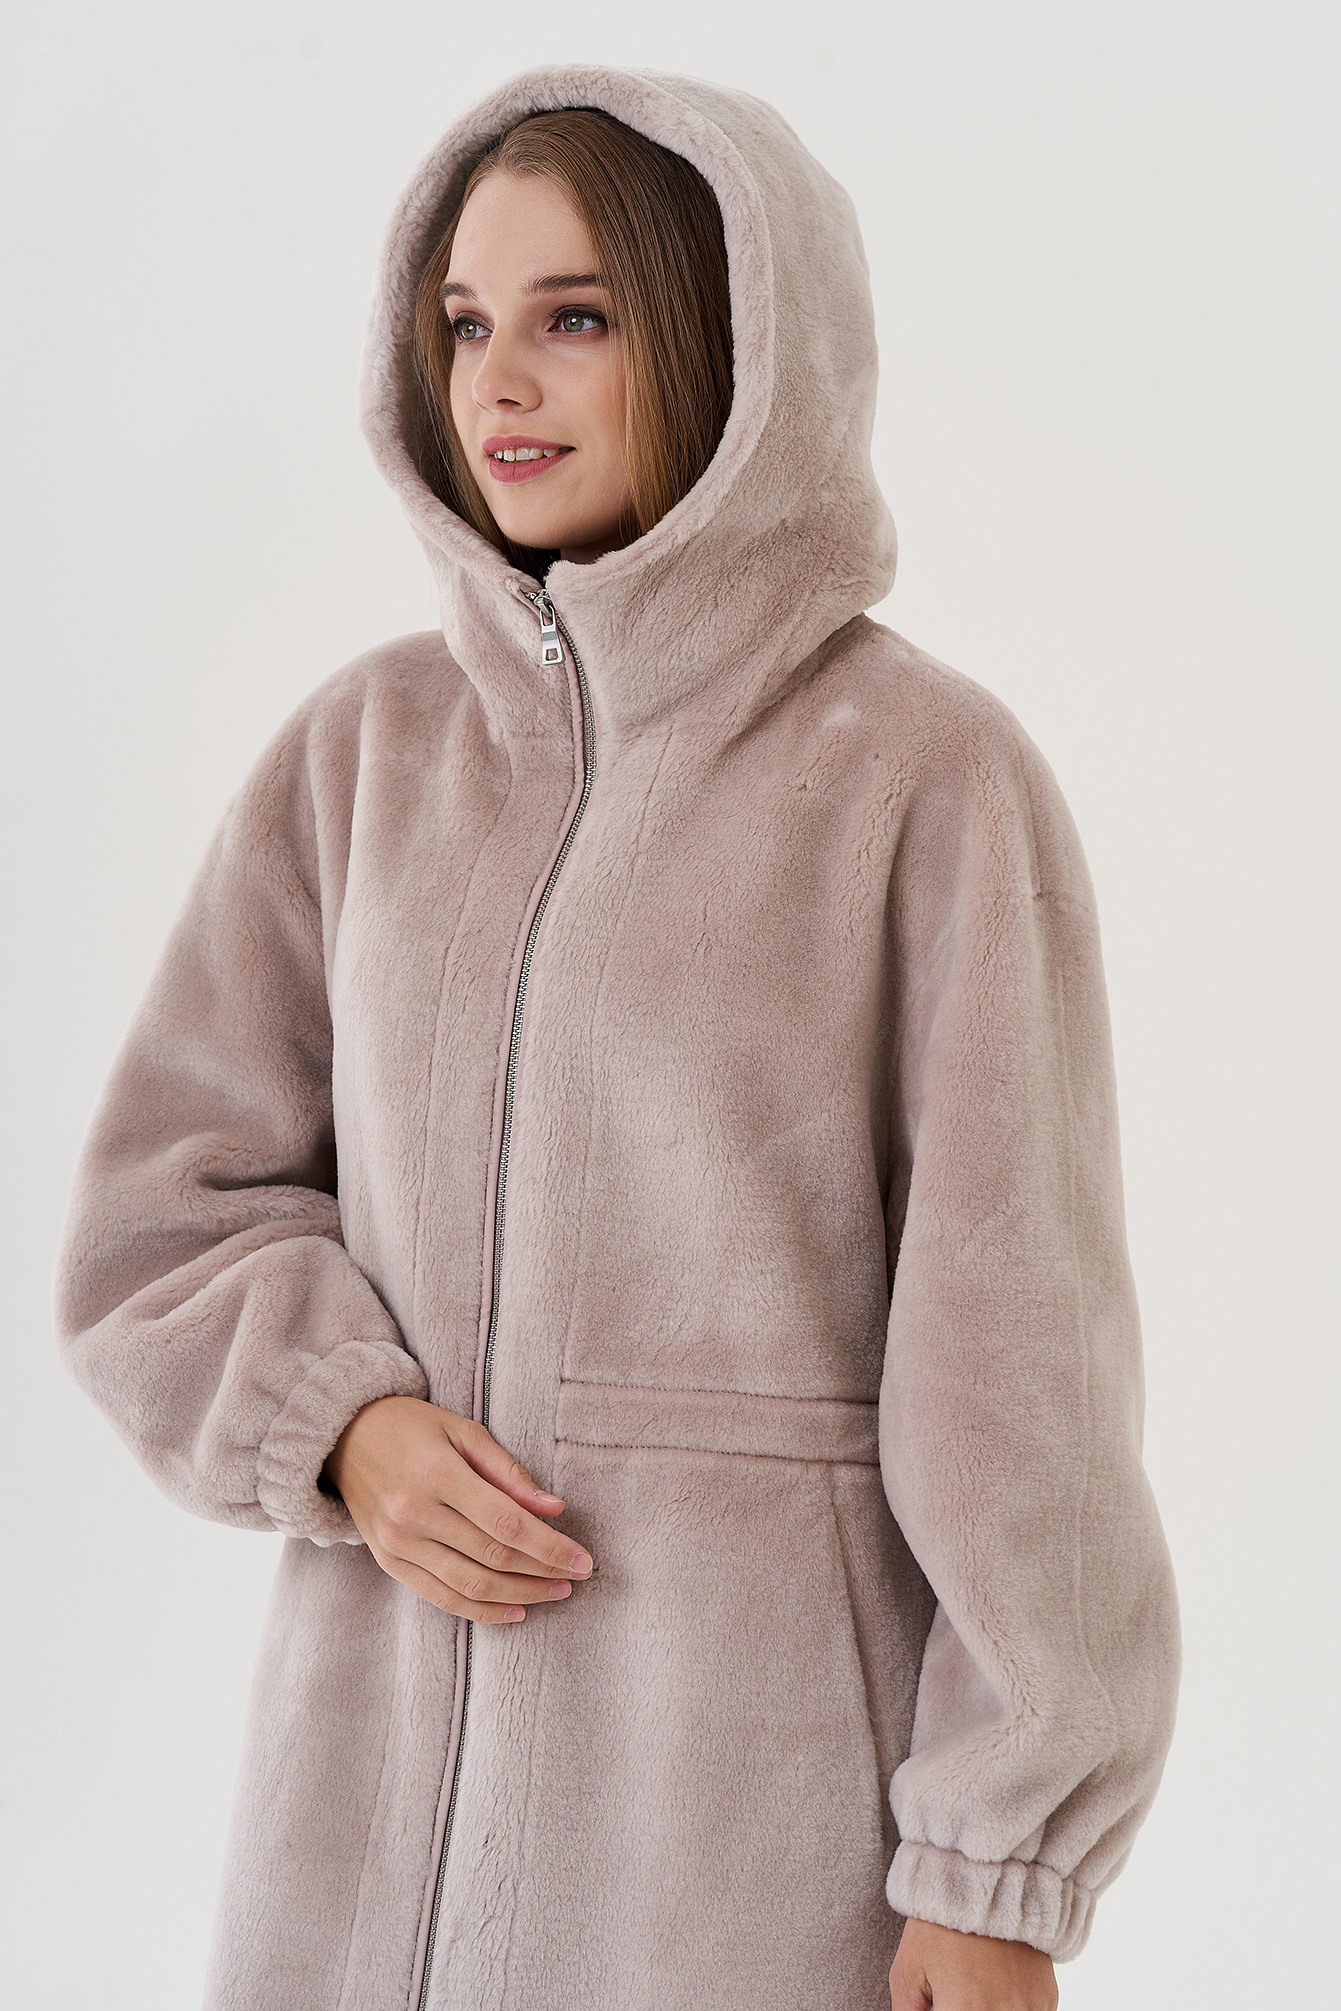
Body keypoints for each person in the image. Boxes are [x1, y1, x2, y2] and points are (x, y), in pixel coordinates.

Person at [53, 66, 1180, 2011]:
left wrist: (992, 1864)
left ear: (730, 334)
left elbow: (1021, 1365)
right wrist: (343, 1429)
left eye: (572, 316)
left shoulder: (920, 778)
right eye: (462, 324)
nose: (498, 382)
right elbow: (162, 1219)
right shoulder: (361, 756)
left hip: (744, 1837)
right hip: (360, 1820)